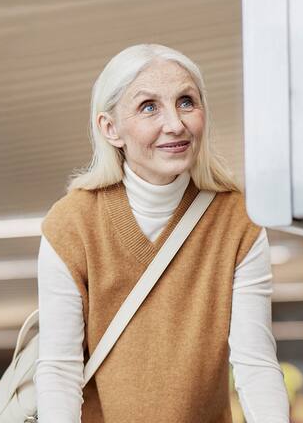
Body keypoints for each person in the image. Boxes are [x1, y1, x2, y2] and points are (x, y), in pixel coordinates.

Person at [35, 44, 290, 422]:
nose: (176, 123)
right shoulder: (72, 224)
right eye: (149, 107)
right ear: (110, 128)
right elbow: (59, 370)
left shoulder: (238, 220)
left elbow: (255, 363)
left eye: (186, 102)